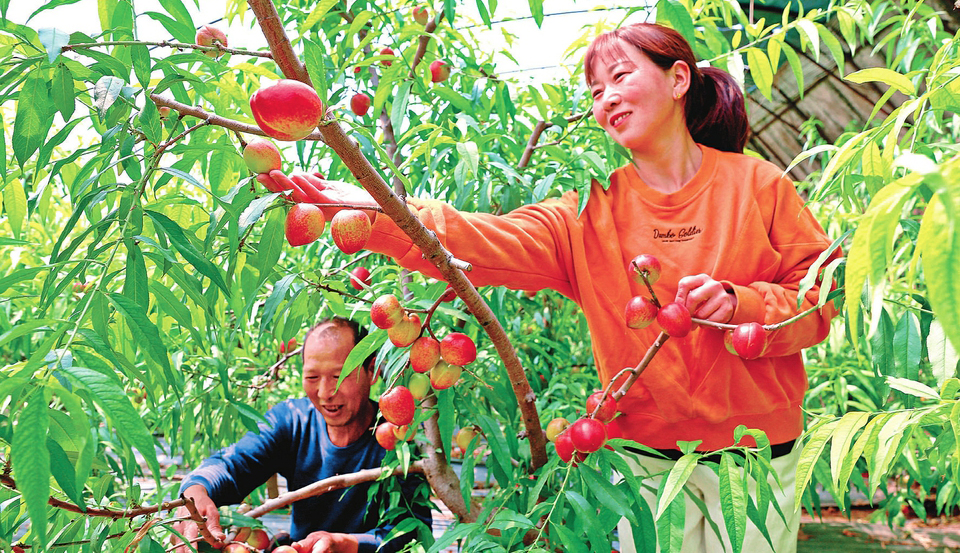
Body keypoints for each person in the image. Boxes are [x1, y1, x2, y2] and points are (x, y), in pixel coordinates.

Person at [259, 21, 839, 553]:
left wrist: (745, 305)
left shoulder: (759, 186)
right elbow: (477, 240)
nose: (605, 97)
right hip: (645, 463)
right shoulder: (589, 213)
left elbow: (820, 297)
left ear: (679, 79)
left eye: (619, 76)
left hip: (757, 456)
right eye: (593, 91)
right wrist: (378, 210)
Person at [171, 317, 431, 553]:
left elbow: (411, 533)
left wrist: (344, 543)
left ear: (371, 371)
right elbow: (233, 464)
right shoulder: (292, 421)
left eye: (339, 376)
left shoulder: (399, 437)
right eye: (312, 376)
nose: (325, 392)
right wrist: (197, 490)